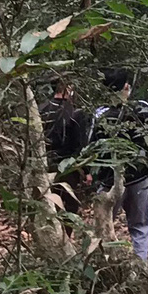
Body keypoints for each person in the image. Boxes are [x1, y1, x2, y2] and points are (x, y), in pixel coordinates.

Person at [91, 67, 148, 261]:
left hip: (109, 179)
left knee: (103, 225)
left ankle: (105, 263)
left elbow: (91, 146)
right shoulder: (143, 109)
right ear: (127, 86)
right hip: (138, 177)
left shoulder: (100, 114)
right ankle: (140, 265)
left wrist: (91, 172)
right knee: (140, 227)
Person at [37, 76, 88, 212]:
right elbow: (80, 144)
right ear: (68, 88)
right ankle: (66, 233)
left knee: (50, 203)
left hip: (46, 164)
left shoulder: (41, 109)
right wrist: (86, 170)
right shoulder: (75, 113)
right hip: (69, 166)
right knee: (71, 204)